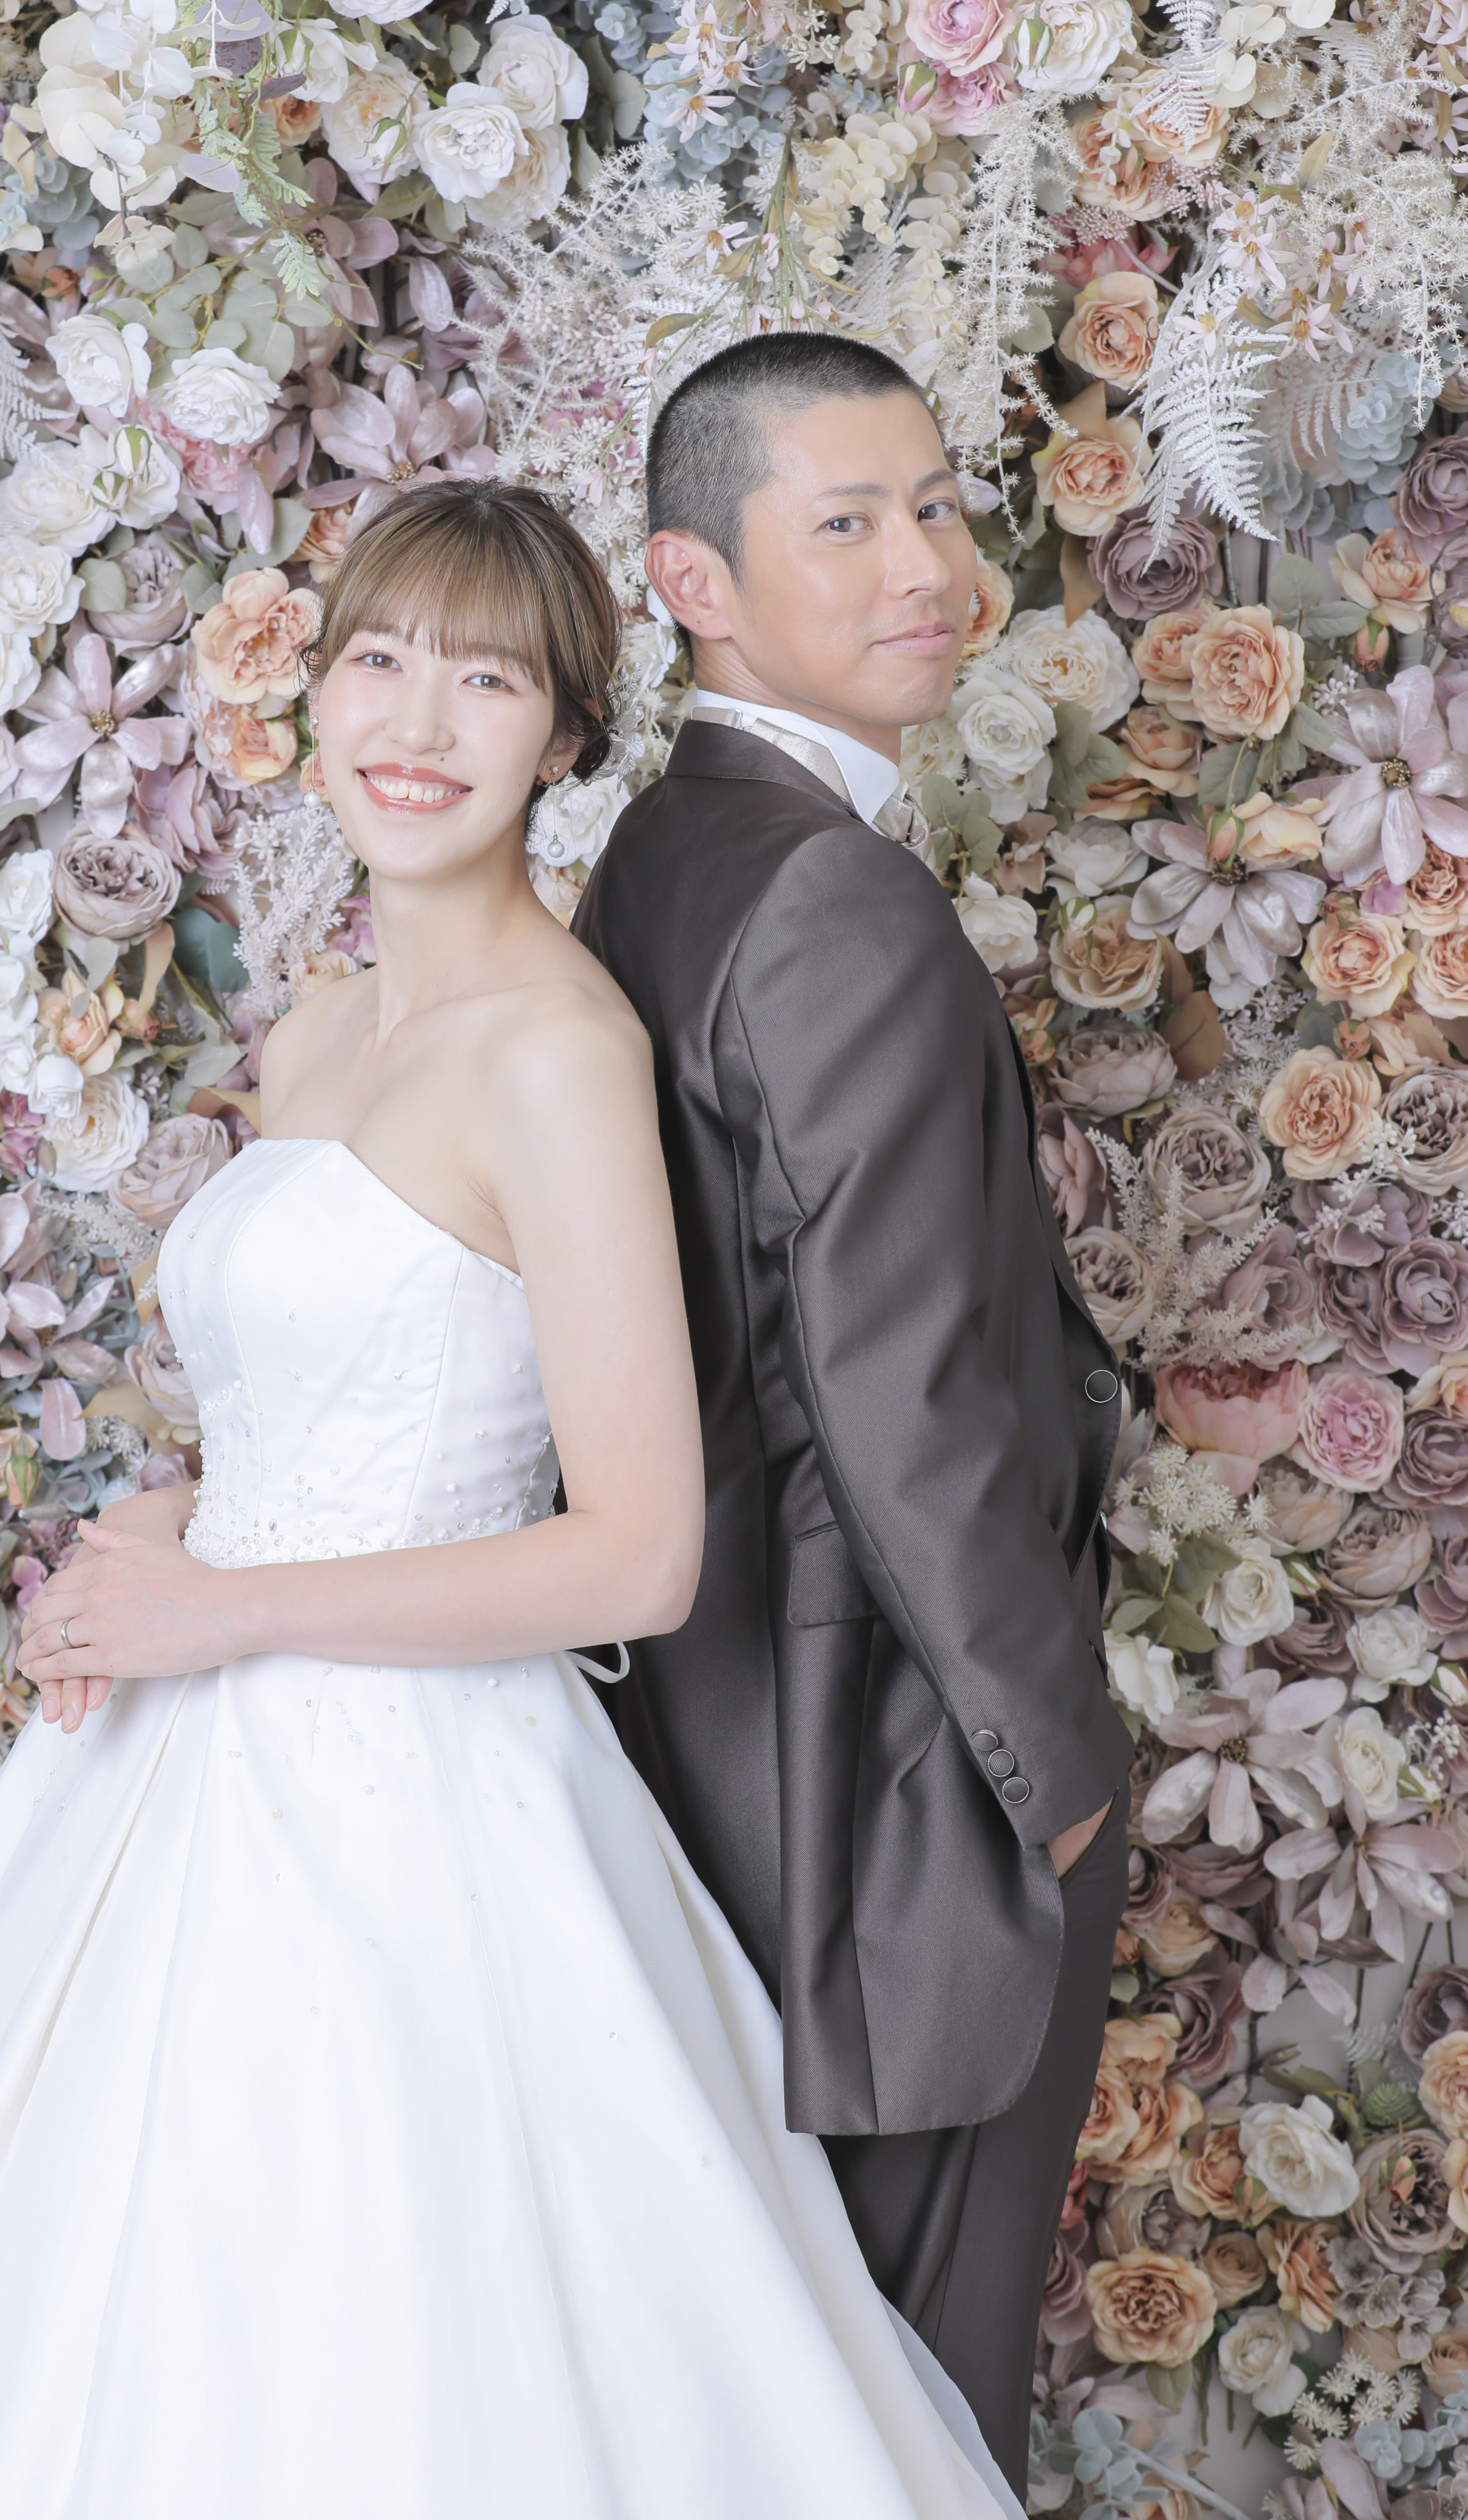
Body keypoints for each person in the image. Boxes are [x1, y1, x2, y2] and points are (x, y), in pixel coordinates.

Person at [0, 479, 1020, 2520]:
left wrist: (231, 1608)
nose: (417, 722)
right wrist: (167, 1533)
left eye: (489, 680)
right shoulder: (319, 1028)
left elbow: (639, 1550)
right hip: (179, 1769)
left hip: (422, 1804)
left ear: (568, 733)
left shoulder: (557, 1057)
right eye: (378, 658)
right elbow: (329, 1409)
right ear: (317, 692)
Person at [573, 334, 1135, 2493]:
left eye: (938, 507)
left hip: (716, 1748)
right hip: (894, 1792)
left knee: (786, 2404)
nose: (930, 568)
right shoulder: (830, 893)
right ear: (692, 582)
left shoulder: (664, 853)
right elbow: (903, 1408)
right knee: (911, 2411)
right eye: (848, 523)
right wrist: (1052, 1779)